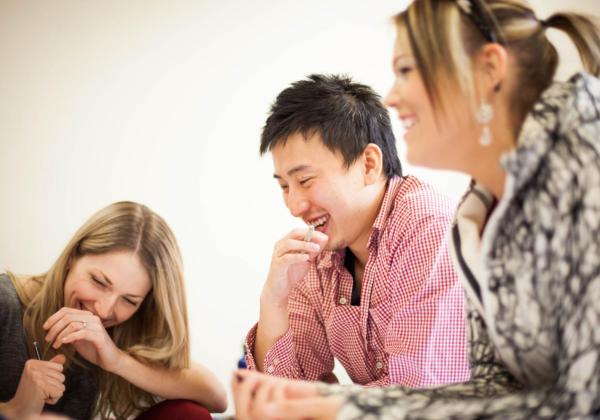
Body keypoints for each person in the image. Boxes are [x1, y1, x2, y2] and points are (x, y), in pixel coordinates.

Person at [231, 0, 600, 418]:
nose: (391, 96)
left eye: (406, 70)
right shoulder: (477, 215)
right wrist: (274, 306)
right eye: (284, 185)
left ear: (488, 72)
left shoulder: (569, 186)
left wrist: (334, 406)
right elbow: (494, 387)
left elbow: (578, 400)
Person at [245, 74, 470, 388]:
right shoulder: (320, 256)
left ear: (368, 164)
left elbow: (419, 394)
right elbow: (277, 398)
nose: (294, 206)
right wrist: (273, 300)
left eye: (305, 181)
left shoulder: (429, 225)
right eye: (284, 186)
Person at [0, 201, 227, 419]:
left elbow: (216, 397)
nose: (104, 310)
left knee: (188, 414)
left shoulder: (111, 334)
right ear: (72, 256)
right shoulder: (5, 304)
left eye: (129, 300)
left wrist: (117, 360)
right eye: (99, 281)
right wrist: (14, 411)